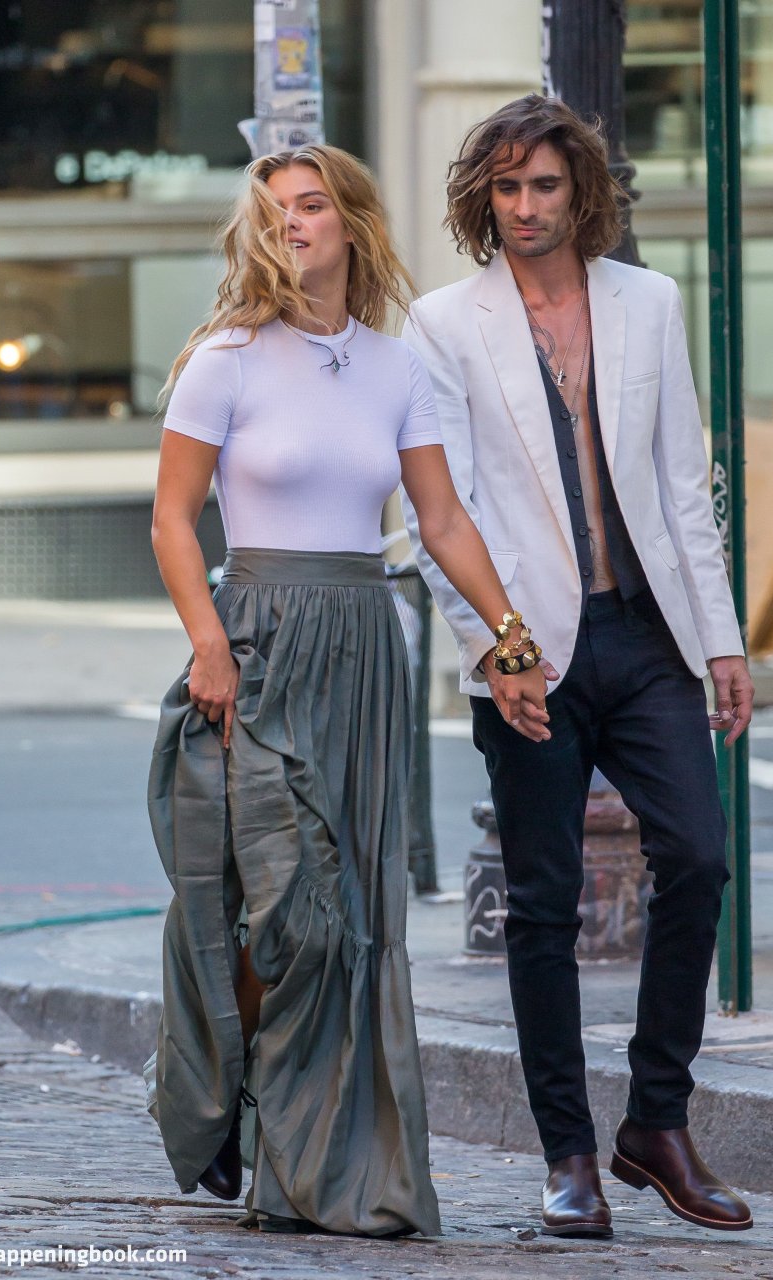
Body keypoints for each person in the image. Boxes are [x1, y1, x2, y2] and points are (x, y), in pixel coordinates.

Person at [144, 143, 548, 1238]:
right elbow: (172, 519)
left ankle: (324, 1159)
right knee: (281, 910)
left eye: (313, 204)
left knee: (349, 915)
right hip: (259, 644)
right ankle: (227, 1084)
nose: (292, 223)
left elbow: (442, 520)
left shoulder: (394, 367)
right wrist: (208, 643)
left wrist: (508, 637)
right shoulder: (224, 359)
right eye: (275, 208)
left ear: (352, 223)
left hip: (365, 647)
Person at [400, 95, 756, 1239]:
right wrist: (493, 646)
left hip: (644, 634)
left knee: (696, 855)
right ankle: (566, 1153)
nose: (523, 207)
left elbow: (681, 483)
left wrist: (720, 636)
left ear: (581, 191)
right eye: (504, 187)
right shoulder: (442, 324)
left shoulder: (646, 303)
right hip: (526, 651)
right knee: (541, 903)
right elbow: (437, 511)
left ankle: (655, 1121)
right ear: (481, 197)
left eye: (543, 185)